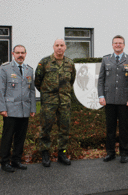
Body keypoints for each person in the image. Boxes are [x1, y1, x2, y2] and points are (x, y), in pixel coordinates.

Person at [98, 35, 128, 163]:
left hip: (125, 100)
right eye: (116, 43)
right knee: (110, 128)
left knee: (124, 128)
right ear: (112, 45)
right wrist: (101, 95)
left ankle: (124, 153)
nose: (118, 45)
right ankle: (110, 153)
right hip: (109, 99)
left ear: (124, 45)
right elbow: (101, 80)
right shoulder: (106, 59)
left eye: (120, 43)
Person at [35, 39, 76, 167]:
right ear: (53, 47)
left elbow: (72, 80)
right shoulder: (44, 62)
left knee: (64, 128)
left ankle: (62, 153)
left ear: (65, 47)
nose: (59, 48)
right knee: (46, 127)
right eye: (57, 45)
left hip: (64, 101)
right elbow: (38, 81)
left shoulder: (70, 63)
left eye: (61, 45)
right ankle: (45, 153)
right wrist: (47, 93)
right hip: (49, 102)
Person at [0, 45, 36, 172]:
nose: (20, 55)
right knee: (7, 137)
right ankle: (4, 162)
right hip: (10, 110)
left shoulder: (29, 70)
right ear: (13, 53)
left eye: (22, 53)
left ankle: (16, 160)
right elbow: (0, 90)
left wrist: (33, 108)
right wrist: (2, 108)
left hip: (24, 110)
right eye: (17, 52)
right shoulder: (5, 68)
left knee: (20, 137)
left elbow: (32, 91)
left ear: (26, 54)